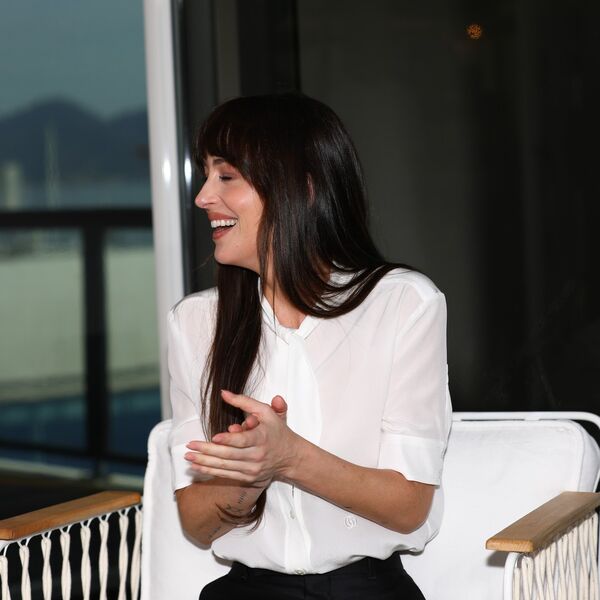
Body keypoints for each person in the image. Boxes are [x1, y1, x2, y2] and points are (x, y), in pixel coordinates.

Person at [167, 93, 452, 600]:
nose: (203, 196)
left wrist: (290, 457)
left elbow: (409, 504)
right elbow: (196, 520)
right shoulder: (195, 323)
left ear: (303, 186)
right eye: (205, 175)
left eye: (226, 175)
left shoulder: (403, 304)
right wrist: (252, 473)